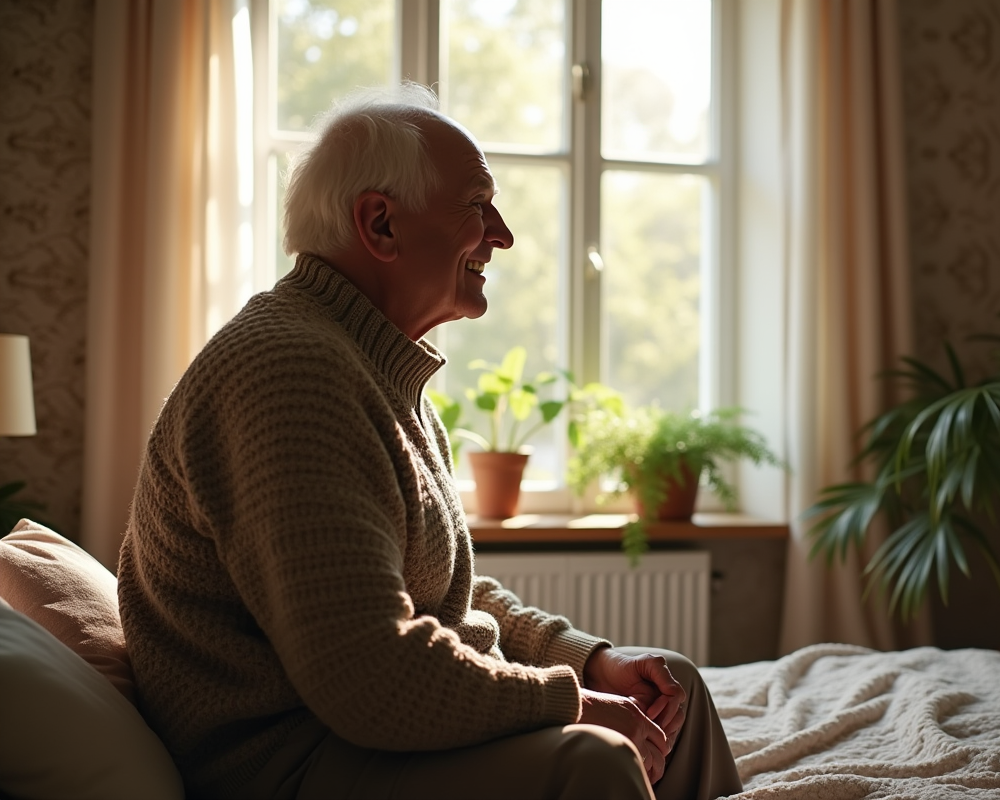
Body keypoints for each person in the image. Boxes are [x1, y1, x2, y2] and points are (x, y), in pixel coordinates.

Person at [117, 84, 743, 800]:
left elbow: (441, 597)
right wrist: (574, 702)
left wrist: (586, 659)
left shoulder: (371, 369)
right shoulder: (288, 375)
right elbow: (372, 676)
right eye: (477, 205)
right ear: (380, 225)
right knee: (593, 758)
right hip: (297, 761)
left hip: (366, 736)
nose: (502, 234)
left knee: (674, 689)